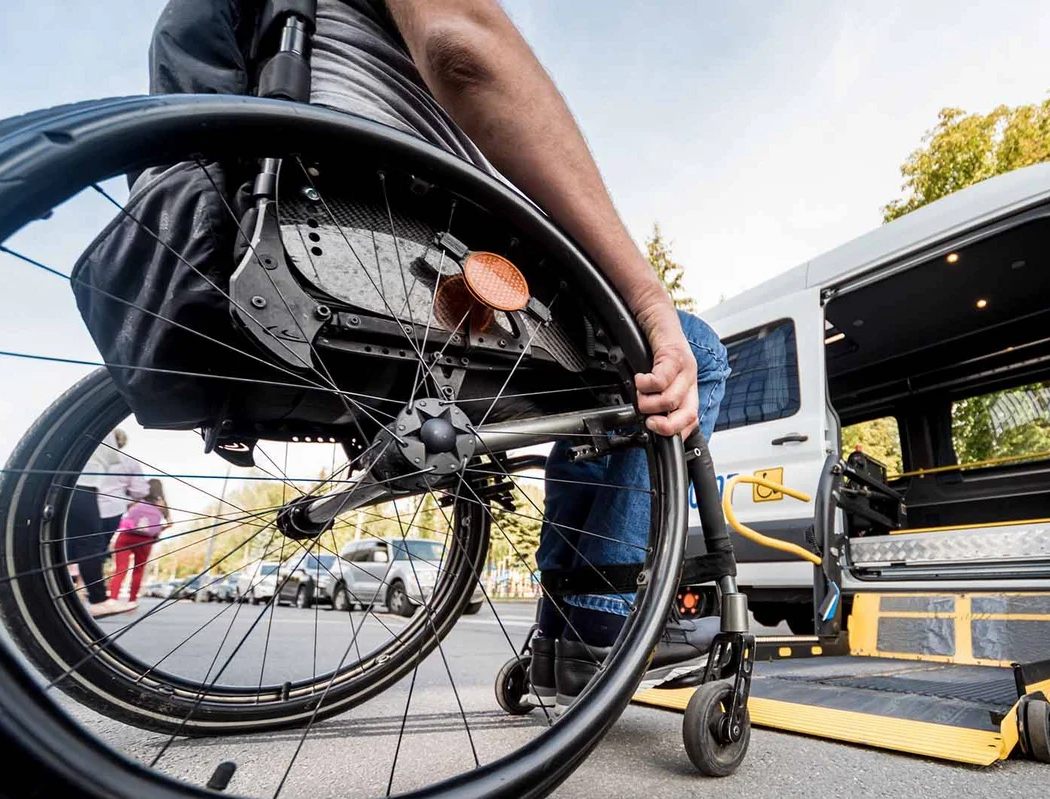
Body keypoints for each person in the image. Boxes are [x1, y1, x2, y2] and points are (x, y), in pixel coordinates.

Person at [149, 0, 729, 703]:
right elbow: (465, 51)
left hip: (303, 225)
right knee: (691, 348)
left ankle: (559, 637)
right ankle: (595, 623)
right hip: (399, 243)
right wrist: (648, 302)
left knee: (602, 384)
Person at [71, 428, 150, 618]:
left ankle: (82, 590)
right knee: (93, 550)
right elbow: (140, 490)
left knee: (77, 548)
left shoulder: (85, 455)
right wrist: (127, 497)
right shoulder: (129, 462)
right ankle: (95, 597)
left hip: (83, 501)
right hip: (109, 509)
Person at [106, 479, 170, 612]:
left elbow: (124, 514)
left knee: (120, 569)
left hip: (126, 537)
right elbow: (170, 523)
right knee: (138, 570)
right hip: (145, 541)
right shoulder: (161, 505)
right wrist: (156, 531)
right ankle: (132, 602)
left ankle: (112, 599)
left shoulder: (136, 500)